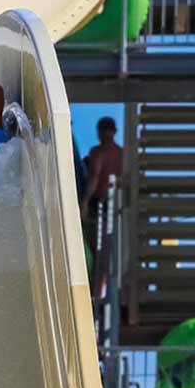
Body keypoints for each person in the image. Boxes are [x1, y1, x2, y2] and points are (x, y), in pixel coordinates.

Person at [82, 117, 125, 298]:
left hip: (99, 205)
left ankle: (96, 294)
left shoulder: (98, 152)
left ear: (100, 131)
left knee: (96, 252)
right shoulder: (122, 153)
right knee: (107, 255)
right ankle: (102, 293)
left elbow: (94, 178)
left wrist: (84, 202)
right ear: (114, 131)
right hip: (116, 207)